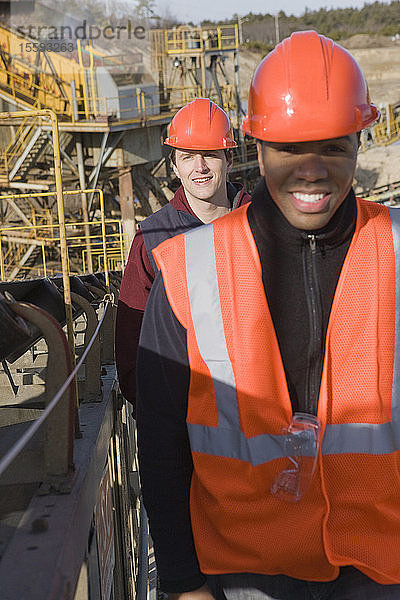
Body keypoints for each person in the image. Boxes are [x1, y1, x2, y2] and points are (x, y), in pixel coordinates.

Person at [136, 30, 400, 599]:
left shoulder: (398, 249)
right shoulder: (188, 270)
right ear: (256, 148)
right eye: (289, 147)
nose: (312, 169)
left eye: (334, 146)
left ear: (359, 141)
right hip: (247, 570)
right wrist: (182, 583)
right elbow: (160, 442)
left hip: (382, 565)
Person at [115, 98, 250, 414]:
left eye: (210, 156)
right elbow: (131, 338)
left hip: (259, 414)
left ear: (229, 160)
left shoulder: (260, 226)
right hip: (183, 418)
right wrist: (157, 412)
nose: (200, 167)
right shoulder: (152, 239)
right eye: (188, 157)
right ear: (174, 166)